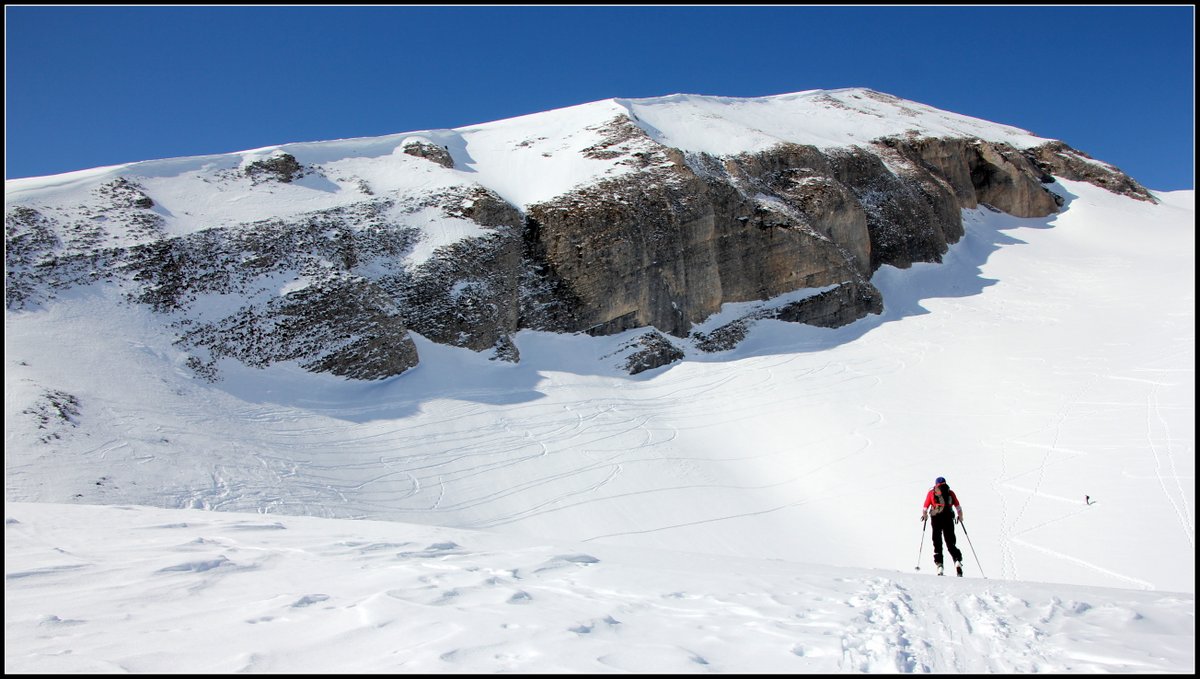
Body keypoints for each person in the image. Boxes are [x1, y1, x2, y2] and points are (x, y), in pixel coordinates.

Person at [921, 476, 964, 576]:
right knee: (950, 542)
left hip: (936, 519)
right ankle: (957, 560)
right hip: (948, 518)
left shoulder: (932, 493)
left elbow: (925, 507)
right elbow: (958, 506)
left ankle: (939, 565)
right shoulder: (950, 492)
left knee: (937, 541)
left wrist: (925, 515)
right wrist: (960, 516)